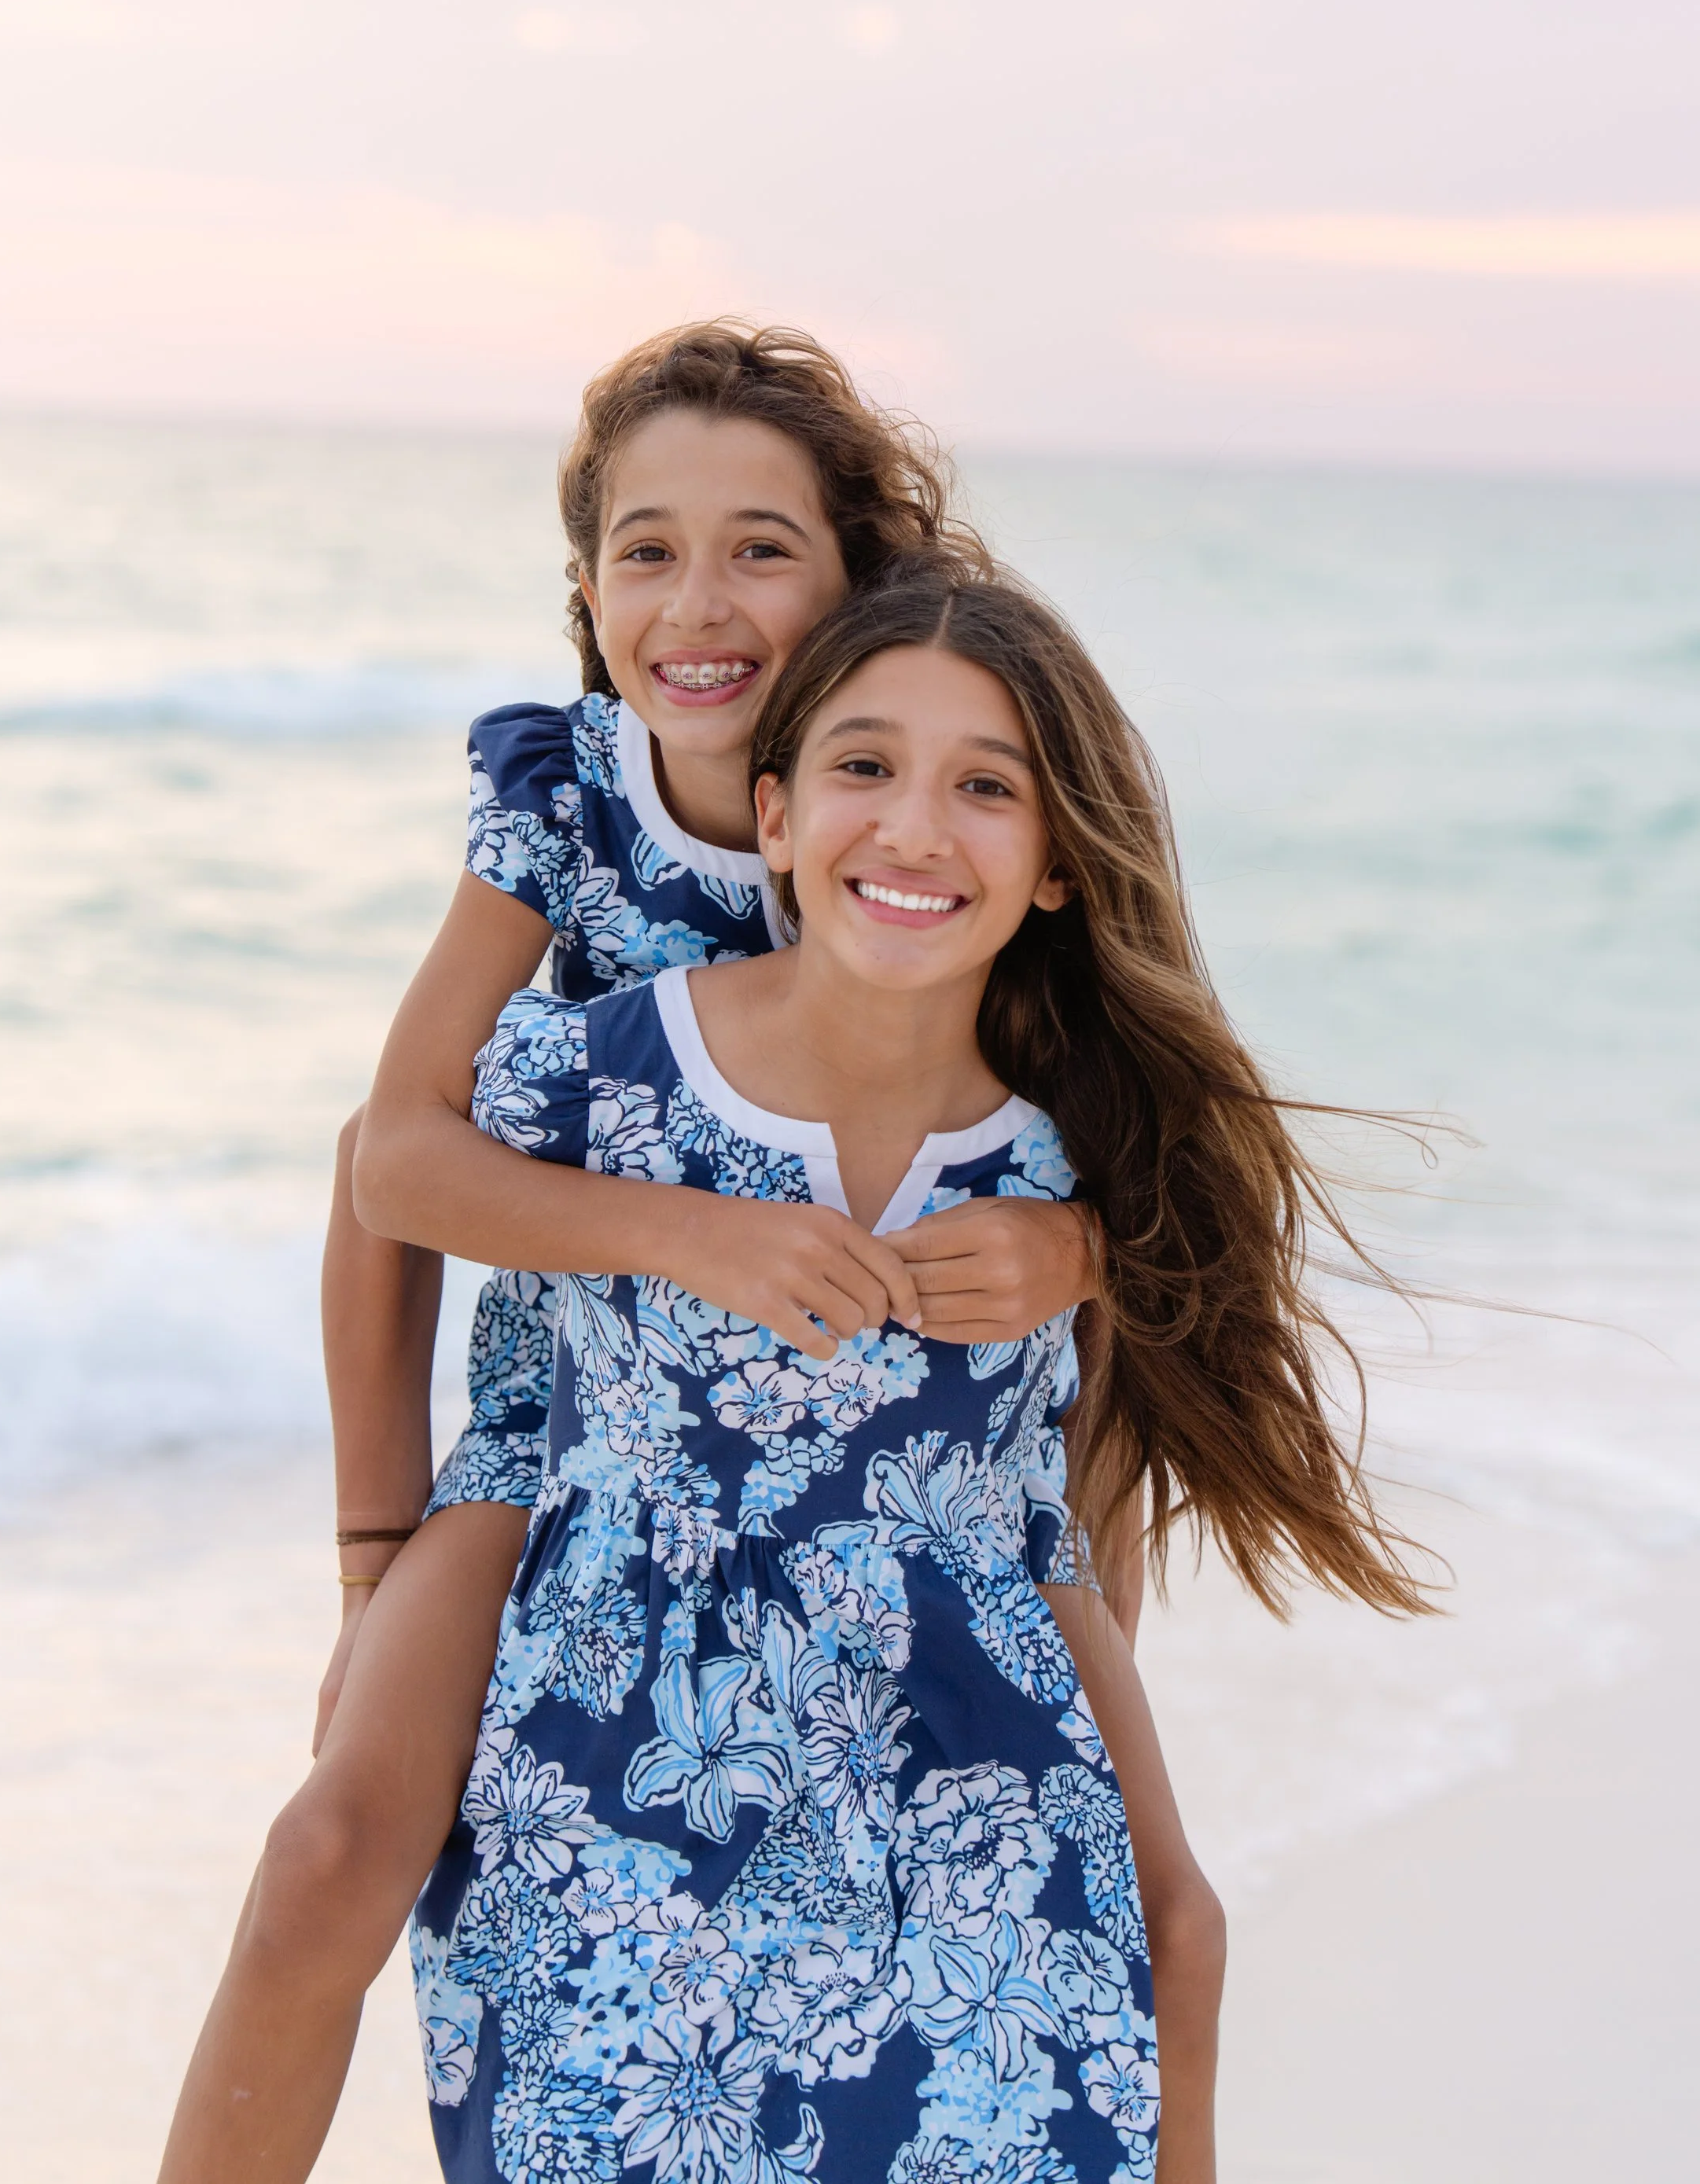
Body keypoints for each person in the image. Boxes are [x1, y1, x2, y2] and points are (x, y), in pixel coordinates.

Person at [157, 325, 1098, 2182]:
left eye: (761, 545)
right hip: (581, 1438)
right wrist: (375, 1556)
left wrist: (1068, 1243)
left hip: (902, 1481)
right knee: (331, 1854)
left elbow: (1136, 1172)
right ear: (584, 592)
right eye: (644, 550)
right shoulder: (570, 803)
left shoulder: (935, 811)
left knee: (1110, 1924)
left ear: (855, 575)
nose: (698, 601)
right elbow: (394, 1162)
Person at [406, 563, 1427, 2184]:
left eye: (984, 786)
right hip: (626, 1746)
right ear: (775, 822)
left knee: (1122, 2019)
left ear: (1053, 869)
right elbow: (394, 1175)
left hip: (966, 1744)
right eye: (864, 767)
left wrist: (1081, 1249)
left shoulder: (1071, 1143)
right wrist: (683, 1238)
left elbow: (1210, 1272)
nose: (913, 826)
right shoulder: (616, 1062)